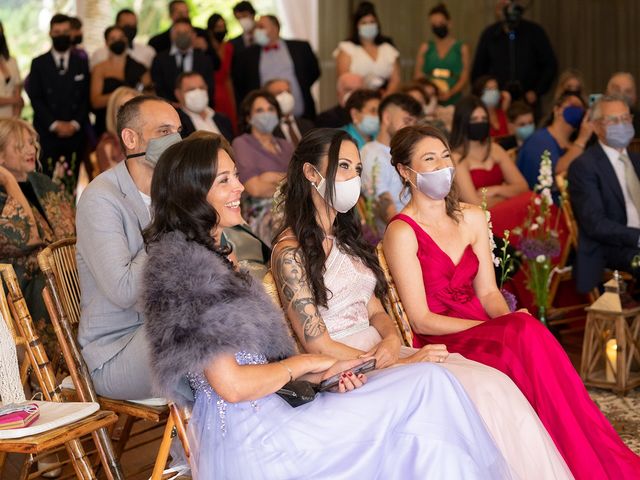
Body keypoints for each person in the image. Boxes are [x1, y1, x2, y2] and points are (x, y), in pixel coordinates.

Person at [142, 131, 514, 480]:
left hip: (278, 407)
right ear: (191, 192)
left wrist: (323, 377)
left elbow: (261, 366)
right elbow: (234, 386)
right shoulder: (187, 273)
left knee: (431, 394)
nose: (240, 187)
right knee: (426, 395)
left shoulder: (216, 258)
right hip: (259, 437)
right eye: (224, 180)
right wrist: (308, 363)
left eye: (235, 175)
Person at [272, 127, 572, 480]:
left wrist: (391, 342)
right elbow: (316, 342)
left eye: (356, 169)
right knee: (447, 384)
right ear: (311, 173)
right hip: (345, 365)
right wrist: (391, 360)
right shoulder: (289, 252)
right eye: (343, 167)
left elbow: (377, 312)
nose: (352, 176)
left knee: (493, 385)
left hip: (383, 350)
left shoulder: (347, 241)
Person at [383, 124, 640, 479]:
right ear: (405, 171)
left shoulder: (472, 216)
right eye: (429, 159)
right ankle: (573, 450)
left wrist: (505, 321)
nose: (442, 166)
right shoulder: (401, 231)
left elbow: (488, 293)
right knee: (521, 332)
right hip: (442, 335)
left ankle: (580, 445)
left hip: (485, 326)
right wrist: (497, 329)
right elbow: (421, 319)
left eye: (445, 156)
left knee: (525, 328)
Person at [76, 95, 182, 400]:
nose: (175, 140)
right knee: (203, 329)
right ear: (131, 138)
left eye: (178, 130)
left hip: (169, 328)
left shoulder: (173, 191)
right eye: (164, 132)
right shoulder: (101, 198)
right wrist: (172, 225)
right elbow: (123, 290)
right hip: (117, 350)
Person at [0, 118, 75, 366]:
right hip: (22, 284)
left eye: (32, 142)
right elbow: (26, 236)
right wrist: (10, 182)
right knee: (49, 287)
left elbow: (72, 229)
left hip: (62, 272)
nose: (31, 150)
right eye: (20, 145)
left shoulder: (42, 183)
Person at [568, 95, 640, 294]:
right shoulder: (584, 167)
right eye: (613, 120)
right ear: (597, 126)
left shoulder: (636, 160)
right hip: (611, 248)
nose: (622, 125)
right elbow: (596, 224)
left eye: (625, 119)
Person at [27, 13, 90, 178]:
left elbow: (85, 97)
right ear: (50, 34)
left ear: (71, 33)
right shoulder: (38, 63)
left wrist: (74, 124)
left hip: (75, 134)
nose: (61, 35)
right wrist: (54, 124)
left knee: (72, 183)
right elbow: (35, 98)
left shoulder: (81, 62)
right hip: (47, 133)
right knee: (43, 181)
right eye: (57, 32)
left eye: (65, 31)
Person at [471, 0, 557, 110]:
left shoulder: (535, 32)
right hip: (498, 101)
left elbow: (550, 65)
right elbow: (478, 70)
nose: (505, 10)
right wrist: (487, 93)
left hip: (527, 101)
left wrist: (537, 91)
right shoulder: (489, 35)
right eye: (501, 7)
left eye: (508, 6)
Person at [232, 90, 293, 244]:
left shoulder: (287, 146)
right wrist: (287, 179)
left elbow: (300, 181)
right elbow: (255, 188)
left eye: (270, 109)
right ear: (248, 117)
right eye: (259, 110)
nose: (266, 114)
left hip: (292, 207)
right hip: (260, 213)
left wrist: (269, 176)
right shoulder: (242, 143)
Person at [232, 14, 320, 120]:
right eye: (256, 27)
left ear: (275, 28)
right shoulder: (247, 56)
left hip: (301, 115)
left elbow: (314, 72)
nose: (256, 31)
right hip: (266, 119)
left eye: (261, 27)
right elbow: (240, 85)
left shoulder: (300, 47)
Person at [450, 96, 529, 211]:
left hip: (508, 210)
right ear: (462, 122)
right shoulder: (457, 158)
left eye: (484, 119)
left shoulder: (496, 149)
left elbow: (523, 187)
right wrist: (507, 195)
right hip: (481, 220)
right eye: (474, 119)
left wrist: (497, 190)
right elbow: (475, 203)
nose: (480, 123)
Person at [361, 93, 422, 228]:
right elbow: (383, 206)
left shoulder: (411, 151)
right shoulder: (372, 154)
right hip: (399, 231)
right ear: (387, 117)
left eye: (414, 123)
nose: (411, 128)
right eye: (407, 121)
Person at [517, 92, 592, 189]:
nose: (576, 111)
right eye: (572, 106)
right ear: (557, 110)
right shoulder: (540, 140)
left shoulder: (572, 143)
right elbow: (556, 172)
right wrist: (582, 139)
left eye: (580, 109)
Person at [91, 26, 150, 137]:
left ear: (126, 40)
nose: (117, 41)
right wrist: (122, 95)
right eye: (113, 38)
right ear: (106, 43)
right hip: (107, 123)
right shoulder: (99, 69)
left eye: (121, 37)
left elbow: (150, 94)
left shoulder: (139, 67)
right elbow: (95, 101)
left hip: (136, 121)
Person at [334, 1, 400, 94]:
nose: (369, 26)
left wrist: (385, 97)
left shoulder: (387, 48)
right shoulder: (347, 48)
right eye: (364, 23)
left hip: (384, 98)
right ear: (357, 26)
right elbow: (344, 80)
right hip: (356, 97)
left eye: (372, 22)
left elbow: (395, 80)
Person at [413, 3, 469, 107]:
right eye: (434, 25)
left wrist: (451, 92)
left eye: (441, 23)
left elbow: (464, 77)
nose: (437, 27)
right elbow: (418, 75)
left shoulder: (461, 48)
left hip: (454, 99)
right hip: (429, 100)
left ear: (449, 23)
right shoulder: (425, 47)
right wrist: (431, 92)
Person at [150, 18, 215, 105]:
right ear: (171, 35)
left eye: (186, 32)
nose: (182, 36)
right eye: (178, 33)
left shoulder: (204, 59)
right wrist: (172, 104)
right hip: (169, 108)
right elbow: (157, 88)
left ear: (193, 35)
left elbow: (209, 88)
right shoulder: (159, 59)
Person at [174, 71, 233, 141]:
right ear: (178, 94)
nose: (198, 92)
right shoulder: (176, 123)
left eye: (202, 88)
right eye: (191, 89)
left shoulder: (223, 119)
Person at [95, 86, 140, 173]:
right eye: (121, 108)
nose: (128, 113)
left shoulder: (150, 139)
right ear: (113, 112)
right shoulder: (107, 146)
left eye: (133, 107)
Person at [90, 9, 156, 69]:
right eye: (127, 26)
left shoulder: (148, 52)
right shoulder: (99, 55)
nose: (131, 29)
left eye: (134, 26)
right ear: (117, 25)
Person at [206, 13, 237, 131]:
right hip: (211, 91)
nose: (221, 30)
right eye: (217, 27)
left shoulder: (229, 47)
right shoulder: (206, 48)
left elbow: (229, 75)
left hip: (226, 91)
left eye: (223, 26)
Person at [148, 0, 213, 55]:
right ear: (170, 15)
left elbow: (216, 64)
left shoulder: (202, 34)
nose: (184, 16)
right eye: (180, 13)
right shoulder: (157, 42)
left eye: (186, 12)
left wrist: (206, 48)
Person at [264, 78, 314, 147]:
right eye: (279, 93)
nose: (285, 96)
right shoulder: (267, 130)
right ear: (268, 99)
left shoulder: (308, 125)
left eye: (288, 92)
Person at [606, 72, 640, 138]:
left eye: (628, 91)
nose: (622, 95)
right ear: (606, 93)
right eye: (616, 90)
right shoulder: (594, 120)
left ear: (635, 96)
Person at [0, 22, 23, 119]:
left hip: (12, 119)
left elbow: (18, 89)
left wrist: (15, 118)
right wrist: (13, 100)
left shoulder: (11, 61)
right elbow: (17, 99)